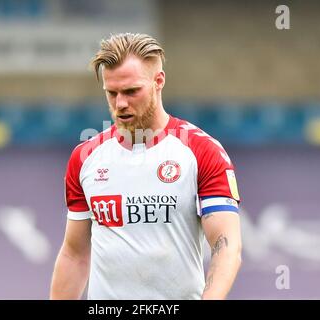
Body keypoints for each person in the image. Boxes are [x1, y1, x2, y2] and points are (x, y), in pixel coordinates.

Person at [49, 33, 242, 300]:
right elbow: (75, 254)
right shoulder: (85, 158)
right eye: (112, 93)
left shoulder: (201, 151)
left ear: (158, 82)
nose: (120, 104)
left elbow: (226, 246)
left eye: (131, 91)